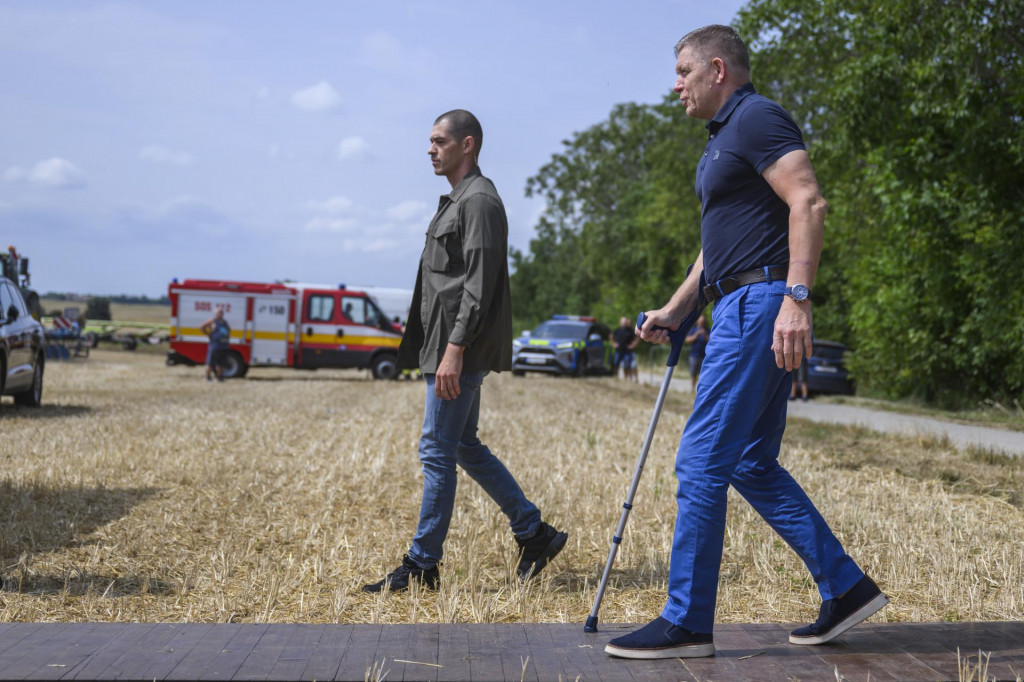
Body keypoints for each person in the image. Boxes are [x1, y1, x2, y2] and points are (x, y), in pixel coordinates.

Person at [606, 25, 887, 659]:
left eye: (682, 71)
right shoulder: (722, 140)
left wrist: (797, 300)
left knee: (702, 460)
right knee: (748, 463)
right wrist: (678, 309)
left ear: (717, 69)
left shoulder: (757, 117)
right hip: (737, 301)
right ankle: (846, 587)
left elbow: (808, 202)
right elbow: (719, 244)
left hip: (759, 306)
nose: (674, 84)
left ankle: (687, 623)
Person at [363, 109, 567, 594]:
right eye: (430, 141)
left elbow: (478, 283)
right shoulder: (459, 200)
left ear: (467, 144)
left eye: (438, 140)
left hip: (457, 349)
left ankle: (422, 565)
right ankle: (533, 532)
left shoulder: (478, 202)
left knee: (436, 451)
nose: (430, 149)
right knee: (461, 446)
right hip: (446, 346)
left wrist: (455, 349)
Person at [199, 308, 231, 382]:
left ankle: (219, 377)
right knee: (211, 363)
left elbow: (229, 330)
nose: (221, 314)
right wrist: (208, 334)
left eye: (221, 312)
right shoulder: (213, 321)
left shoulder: (224, 322)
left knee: (221, 363)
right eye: (219, 312)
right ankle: (208, 376)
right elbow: (201, 326)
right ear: (215, 314)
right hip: (215, 345)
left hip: (223, 346)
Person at [684, 314, 709, 392]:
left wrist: (704, 334)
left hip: (704, 356)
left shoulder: (707, 330)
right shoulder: (694, 330)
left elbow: (711, 341)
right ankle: (692, 388)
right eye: (700, 321)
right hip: (694, 356)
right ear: (698, 321)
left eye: (703, 321)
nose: (702, 322)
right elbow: (687, 340)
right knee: (693, 374)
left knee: (703, 374)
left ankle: (701, 390)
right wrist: (696, 335)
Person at [611, 316, 640, 382]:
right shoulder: (617, 330)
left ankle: (626, 378)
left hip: (627, 351)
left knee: (627, 365)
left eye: (625, 322)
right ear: (620, 322)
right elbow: (611, 336)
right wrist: (613, 344)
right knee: (615, 363)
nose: (624, 323)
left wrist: (633, 345)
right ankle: (615, 377)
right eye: (622, 322)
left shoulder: (630, 330)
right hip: (618, 350)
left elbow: (637, 337)